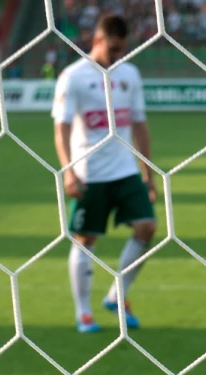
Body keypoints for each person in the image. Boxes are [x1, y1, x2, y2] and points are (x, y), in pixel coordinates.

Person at [53, 13, 156, 333]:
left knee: (147, 227)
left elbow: (139, 124)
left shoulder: (130, 74)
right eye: (113, 49)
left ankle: (117, 294)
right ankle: (83, 312)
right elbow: (62, 128)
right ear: (96, 40)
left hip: (125, 169)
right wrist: (68, 172)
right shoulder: (73, 76)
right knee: (86, 240)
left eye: (122, 49)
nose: (118, 56)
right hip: (89, 172)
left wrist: (148, 172)